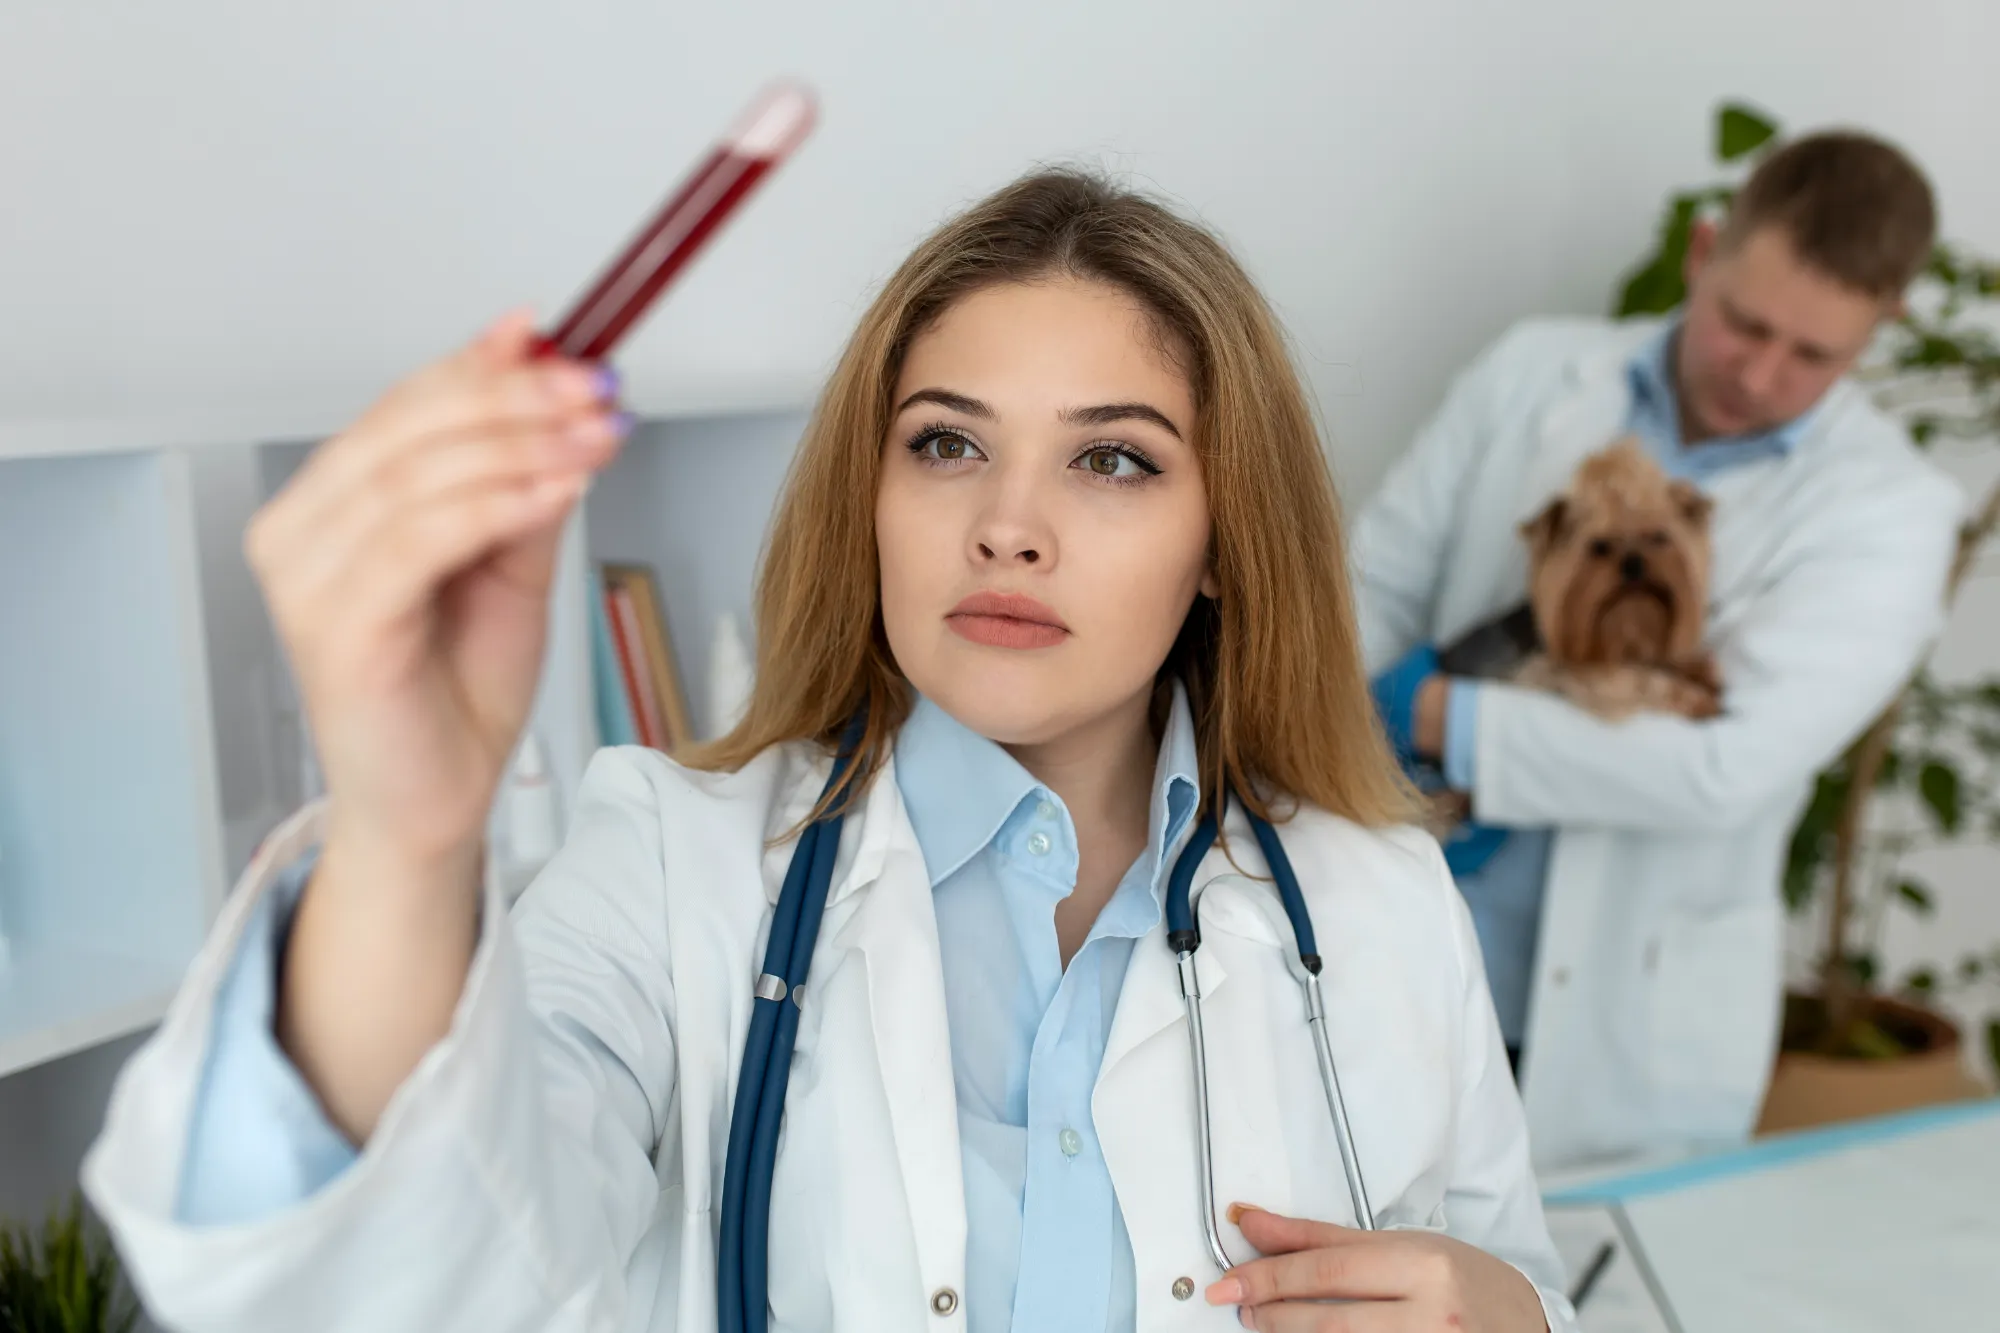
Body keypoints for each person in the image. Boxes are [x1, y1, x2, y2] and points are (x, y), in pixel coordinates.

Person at [82, 171, 1574, 1332]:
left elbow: (1507, 1270)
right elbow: (416, 1260)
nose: (1007, 520)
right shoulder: (674, 861)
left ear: (1224, 546)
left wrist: (1515, 1311)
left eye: (1112, 458)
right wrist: (405, 838)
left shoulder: (1375, 898)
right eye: (945, 442)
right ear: (869, 498)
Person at [1356, 130, 1962, 1171]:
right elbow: (1366, 588)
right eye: (1742, 322)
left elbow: (1717, 769)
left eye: (1811, 353)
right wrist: (1339, 709)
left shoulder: (1891, 512)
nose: (1758, 374)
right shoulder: (1530, 372)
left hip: (1619, 1025)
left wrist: (1426, 715)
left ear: (1881, 329)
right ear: (1702, 250)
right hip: (1396, 955)